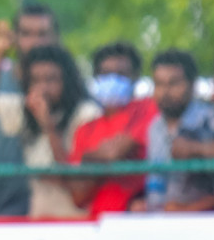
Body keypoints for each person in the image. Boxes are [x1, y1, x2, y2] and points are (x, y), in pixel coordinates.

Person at [0, 45, 100, 219]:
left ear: (67, 81)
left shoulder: (87, 114)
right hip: (39, 220)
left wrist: (48, 125)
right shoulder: (27, 111)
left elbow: (75, 183)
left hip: (76, 221)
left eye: (51, 80)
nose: (43, 88)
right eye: (36, 81)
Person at [0, 6, 60, 216]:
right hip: (3, 210)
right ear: (15, 38)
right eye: (26, 34)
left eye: (42, 34)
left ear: (56, 37)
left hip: (54, 211)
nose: (34, 42)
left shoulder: (66, 87)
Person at [68, 42, 158, 217]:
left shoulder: (147, 109)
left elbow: (113, 153)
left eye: (121, 74)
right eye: (106, 74)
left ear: (135, 77)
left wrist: (88, 158)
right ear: (96, 77)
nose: (113, 80)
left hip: (136, 220)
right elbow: (78, 196)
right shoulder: (85, 129)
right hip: (97, 224)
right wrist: (101, 158)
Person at [145, 49, 214, 213]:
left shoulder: (213, 119)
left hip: (205, 222)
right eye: (159, 84)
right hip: (158, 222)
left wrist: (185, 209)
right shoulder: (154, 127)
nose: (165, 92)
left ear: (192, 85)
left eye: (173, 83)